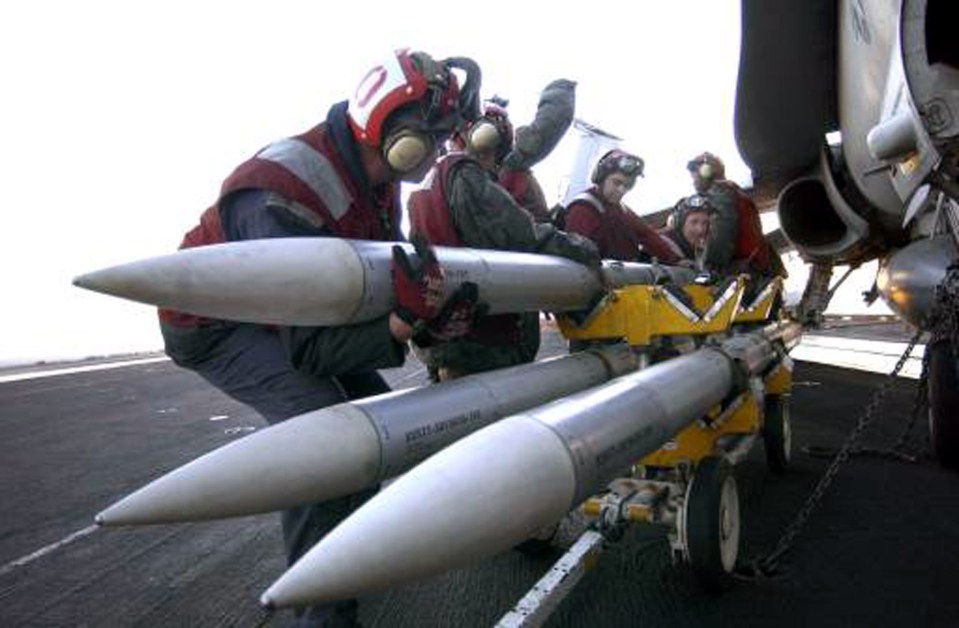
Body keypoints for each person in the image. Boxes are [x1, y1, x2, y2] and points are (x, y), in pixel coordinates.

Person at [157, 49, 481, 627]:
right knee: (325, 438)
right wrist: (402, 324)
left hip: (276, 311)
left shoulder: (372, 170)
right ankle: (321, 613)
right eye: (432, 136)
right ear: (397, 134)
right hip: (213, 326)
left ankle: (348, 557)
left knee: (377, 416)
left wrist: (428, 313)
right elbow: (310, 348)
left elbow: (379, 270)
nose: (436, 151)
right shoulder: (283, 191)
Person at [409, 80, 600, 381]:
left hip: (445, 337)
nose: (494, 163)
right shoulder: (466, 176)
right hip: (482, 341)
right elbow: (521, 236)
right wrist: (584, 250)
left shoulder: (429, 180)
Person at [564, 150, 681, 264]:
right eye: (616, 182)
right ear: (601, 177)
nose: (621, 190)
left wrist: (676, 260)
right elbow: (579, 257)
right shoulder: (583, 208)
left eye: (628, 185)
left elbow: (647, 235)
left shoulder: (622, 210)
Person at [686, 151, 785, 279]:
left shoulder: (721, 193)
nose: (693, 182)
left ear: (706, 172)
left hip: (743, 274)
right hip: (756, 270)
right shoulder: (734, 192)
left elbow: (720, 240)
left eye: (694, 176)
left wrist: (705, 267)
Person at [661, 194, 714, 270]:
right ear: (680, 224)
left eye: (705, 223)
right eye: (694, 222)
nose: (700, 230)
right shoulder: (664, 248)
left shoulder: (699, 249)